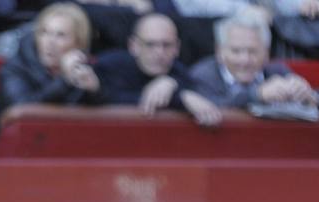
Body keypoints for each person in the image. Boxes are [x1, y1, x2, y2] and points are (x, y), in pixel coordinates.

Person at [93, 12, 223, 127]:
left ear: (177, 48)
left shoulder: (181, 73)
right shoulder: (110, 66)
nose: (159, 52)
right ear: (133, 46)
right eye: (150, 44)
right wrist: (180, 96)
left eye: (166, 45)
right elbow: (110, 97)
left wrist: (173, 84)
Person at [188, 6, 319, 109]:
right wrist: (258, 95)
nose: (245, 60)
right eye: (236, 51)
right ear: (219, 52)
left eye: (253, 51)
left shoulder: (277, 71)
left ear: (266, 54)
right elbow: (214, 105)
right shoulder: (202, 74)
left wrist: (309, 96)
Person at [0, 2, 100, 116]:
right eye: (44, 33)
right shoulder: (14, 69)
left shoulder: (88, 69)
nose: (49, 42)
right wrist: (65, 82)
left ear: (79, 43)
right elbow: (23, 112)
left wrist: (96, 93)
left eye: (60, 35)